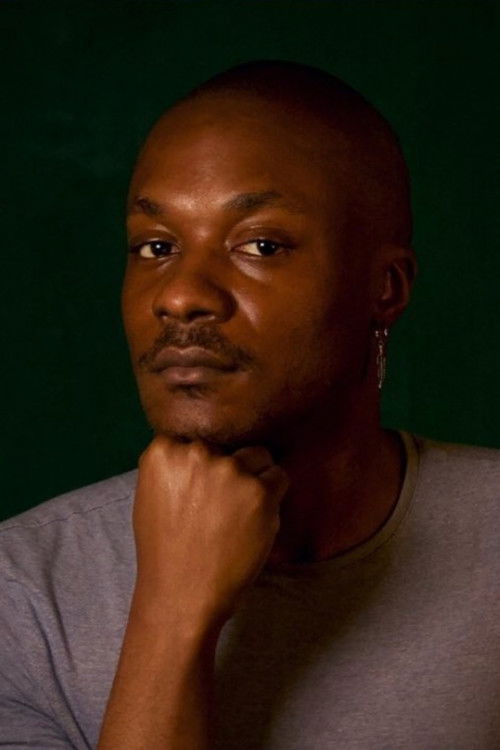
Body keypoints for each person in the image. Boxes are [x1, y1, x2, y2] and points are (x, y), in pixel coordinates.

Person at [1, 60, 499, 750]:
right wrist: (171, 616)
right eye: (156, 246)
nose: (180, 295)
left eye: (261, 245)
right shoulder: (22, 594)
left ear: (385, 287)